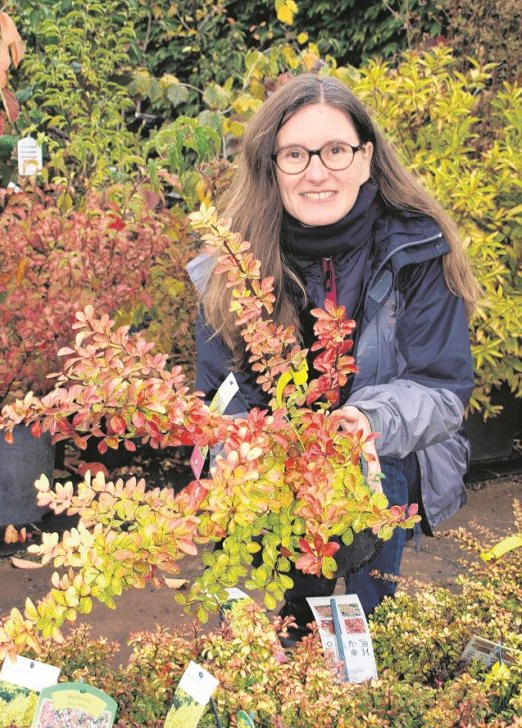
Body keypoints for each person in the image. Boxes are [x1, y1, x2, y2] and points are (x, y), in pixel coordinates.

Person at [187, 73, 477, 642]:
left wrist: (366, 422)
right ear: (271, 165)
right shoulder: (232, 265)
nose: (317, 172)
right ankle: (287, 652)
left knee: (362, 624)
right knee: (277, 629)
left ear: (367, 158)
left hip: (382, 471)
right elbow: (216, 401)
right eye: (295, 154)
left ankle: (360, 648)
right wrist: (250, 456)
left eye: (335, 151)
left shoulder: (415, 250)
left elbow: (442, 389)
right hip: (275, 484)